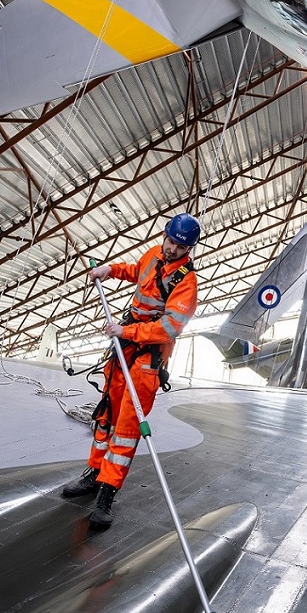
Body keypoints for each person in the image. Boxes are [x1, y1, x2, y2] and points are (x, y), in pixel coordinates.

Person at [61, 213, 200, 529]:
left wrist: (128, 333)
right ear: (164, 236)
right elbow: (137, 271)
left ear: (188, 249)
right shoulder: (154, 253)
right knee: (106, 413)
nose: (172, 249)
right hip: (123, 348)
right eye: (170, 241)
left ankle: (107, 496)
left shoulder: (186, 283)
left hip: (146, 360)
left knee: (126, 428)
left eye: (180, 246)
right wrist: (110, 270)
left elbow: (169, 327)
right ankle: (95, 474)